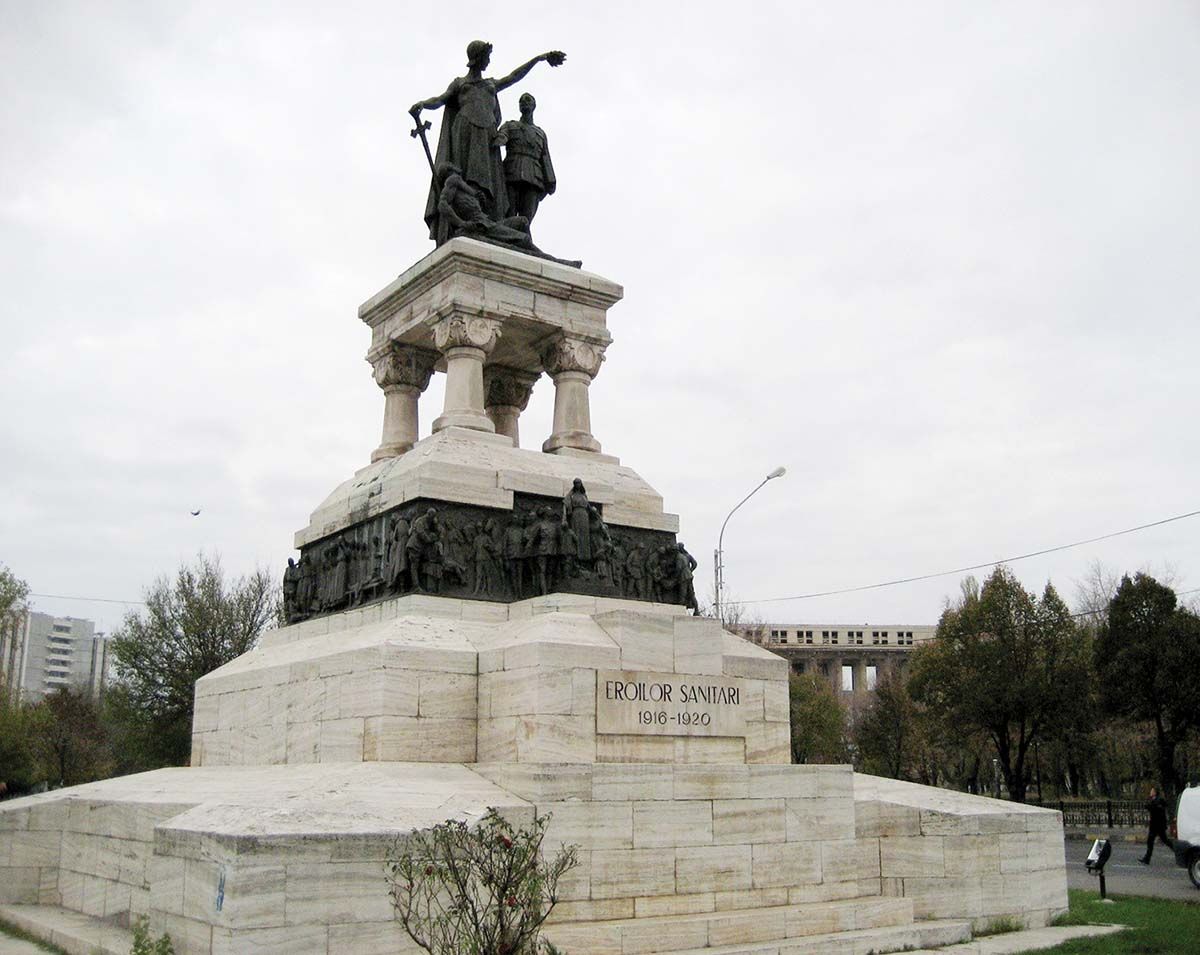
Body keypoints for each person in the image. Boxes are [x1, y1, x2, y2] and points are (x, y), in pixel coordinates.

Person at [411, 42, 565, 244]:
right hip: (465, 132)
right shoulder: (460, 84)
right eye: (487, 56)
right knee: (464, 175)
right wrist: (423, 104)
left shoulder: (490, 85)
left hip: (487, 137)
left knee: (489, 181)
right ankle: (467, 220)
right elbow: (440, 100)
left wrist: (539, 59)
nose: (489, 60)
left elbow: (514, 76)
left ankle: (485, 221)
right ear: (478, 57)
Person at [498, 93, 556, 225]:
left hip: (534, 179)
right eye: (521, 101)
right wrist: (499, 139)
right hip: (511, 174)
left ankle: (522, 239)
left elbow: (545, 158)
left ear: (534, 105)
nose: (524, 102)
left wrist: (551, 181)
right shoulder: (510, 126)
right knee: (509, 213)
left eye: (528, 100)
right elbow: (499, 139)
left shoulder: (540, 133)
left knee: (526, 218)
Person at [1140, 786, 1174, 864]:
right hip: (1156, 825)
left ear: (1155, 792)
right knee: (1155, 841)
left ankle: (1147, 859)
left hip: (1158, 825)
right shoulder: (1153, 800)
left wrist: (1150, 806)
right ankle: (1147, 859)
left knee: (1160, 841)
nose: (1150, 792)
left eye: (1152, 791)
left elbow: (1155, 808)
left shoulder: (1159, 800)